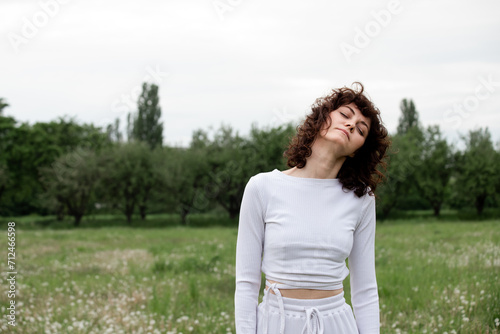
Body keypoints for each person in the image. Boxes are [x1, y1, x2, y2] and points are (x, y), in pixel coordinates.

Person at [234, 82, 390, 334]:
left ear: (357, 151)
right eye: (345, 115)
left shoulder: (361, 199)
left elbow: (365, 291)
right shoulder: (262, 187)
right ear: (321, 119)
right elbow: (246, 283)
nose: (351, 125)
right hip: (276, 323)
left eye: (361, 130)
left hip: (336, 323)